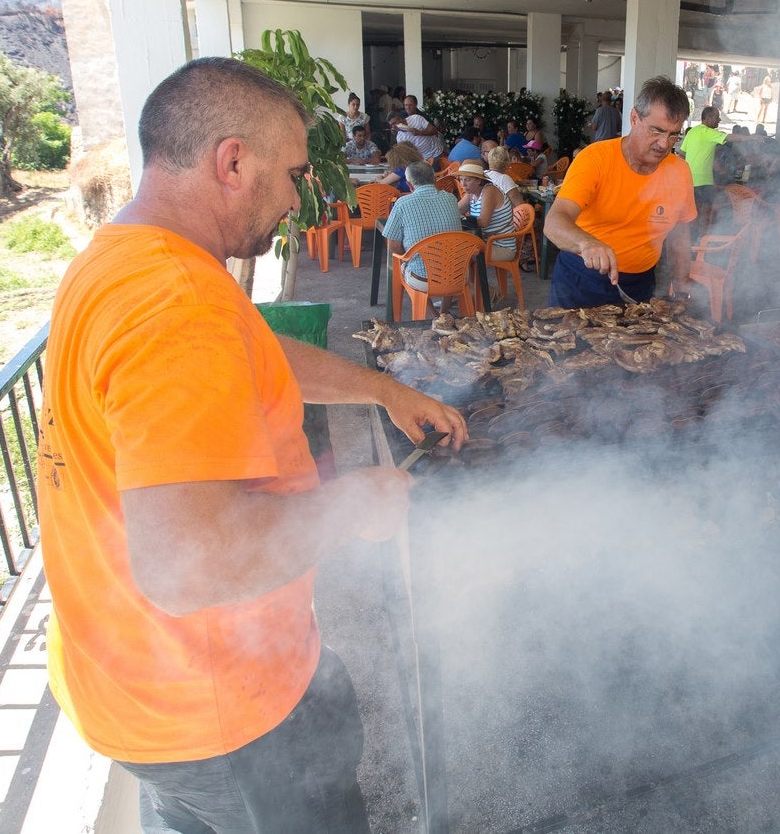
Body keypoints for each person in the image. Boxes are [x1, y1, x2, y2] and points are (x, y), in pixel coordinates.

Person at [34, 57, 465, 834]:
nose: (300, 198)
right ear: (232, 161)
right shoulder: (177, 302)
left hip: (130, 681)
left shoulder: (125, 257)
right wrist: (353, 502)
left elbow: (250, 355)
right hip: (217, 708)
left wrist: (384, 389)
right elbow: (184, 564)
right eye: (295, 174)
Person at [544, 76, 696, 307]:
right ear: (635, 118)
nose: (665, 144)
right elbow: (554, 222)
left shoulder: (680, 171)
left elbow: (680, 236)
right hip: (581, 280)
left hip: (640, 284)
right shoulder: (595, 159)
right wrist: (587, 244)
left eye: (674, 134)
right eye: (657, 131)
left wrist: (683, 283)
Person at [382, 160, 463, 292]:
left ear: (409, 185)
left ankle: (431, 309)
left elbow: (393, 247)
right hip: (456, 275)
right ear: (434, 179)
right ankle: (443, 312)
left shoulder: (402, 203)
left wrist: (410, 258)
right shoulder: (451, 199)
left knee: (402, 265)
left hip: (423, 280)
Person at [677, 106, 728, 235]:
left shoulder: (692, 132)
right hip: (704, 182)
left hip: (689, 180)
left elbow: (682, 153)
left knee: (692, 213)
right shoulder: (707, 132)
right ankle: (702, 238)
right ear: (709, 118)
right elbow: (729, 137)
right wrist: (751, 138)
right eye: (717, 117)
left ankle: (692, 239)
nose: (719, 120)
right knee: (706, 212)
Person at [454, 160, 516, 260]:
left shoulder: (489, 191)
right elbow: (455, 211)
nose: (463, 184)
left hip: (502, 247)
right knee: (452, 245)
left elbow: (484, 222)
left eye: (468, 180)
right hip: (484, 240)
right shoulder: (471, 193)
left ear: (478, 180)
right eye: (461, 179)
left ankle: (473, 276)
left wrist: (463, 218)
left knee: (458, 252)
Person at [394, 95, 443, 162]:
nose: (408, 107)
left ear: (416, 105)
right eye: (405, 105)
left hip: (433, 153)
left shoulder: (422, 117)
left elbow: (434, 131)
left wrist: (419, 132)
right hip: (420, 157)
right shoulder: (402, 115)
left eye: (410, 105)